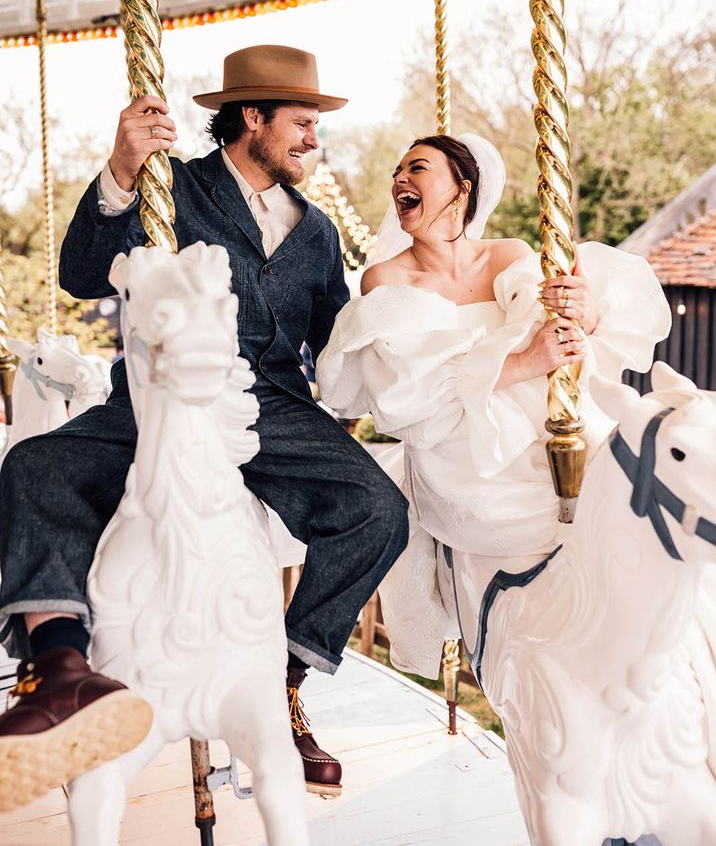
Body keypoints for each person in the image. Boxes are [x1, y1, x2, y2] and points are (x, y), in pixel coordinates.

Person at [0, 44, 409, 809]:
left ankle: (281, 684)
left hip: (274, 410)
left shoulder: (316, 231)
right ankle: (58, 670)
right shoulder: (171, 186)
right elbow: (82, 277)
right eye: (301, 122)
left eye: (315, 123)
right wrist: (121, 172)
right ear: (250, 117)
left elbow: (336, 342)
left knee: (380, 512)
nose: (313, 138)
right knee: (34, 467)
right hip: (157, 396)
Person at [315, 133, 671, 679]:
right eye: (397, 170)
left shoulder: (509, 255)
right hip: (457, 451)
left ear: (462, 188)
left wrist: (582, 312)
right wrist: (527, 361)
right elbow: (413, 391)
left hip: (538, 426)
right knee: (527, 510)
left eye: (418, 168)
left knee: (631, 478)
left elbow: (547, 326)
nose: (399, 180)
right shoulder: (387, 278)